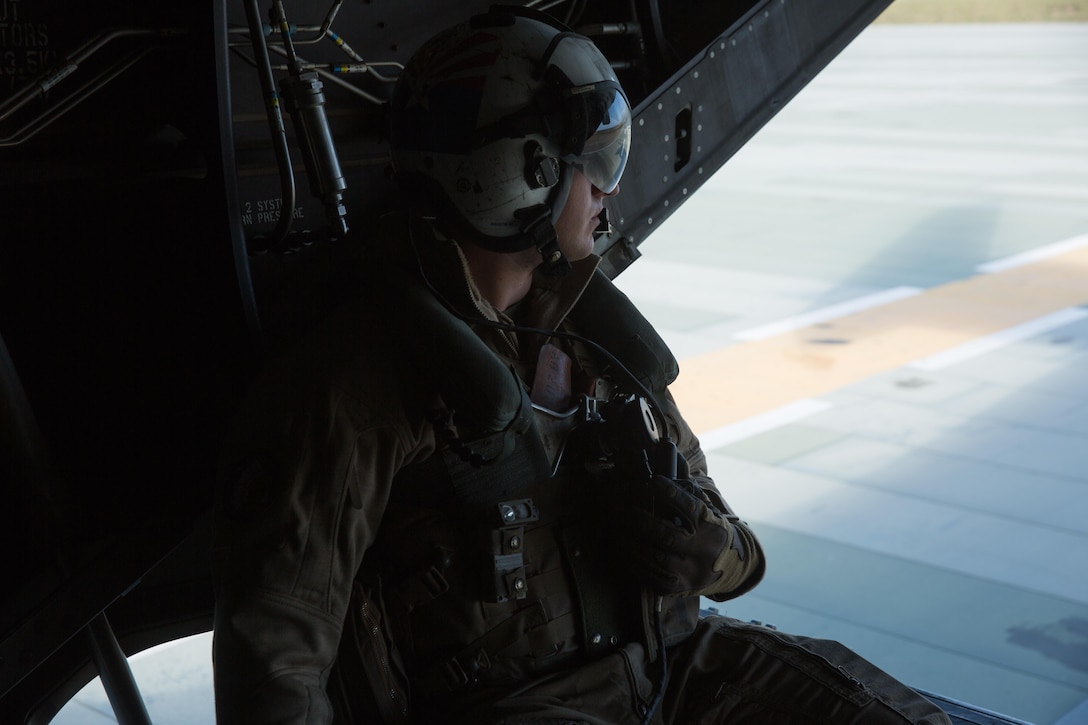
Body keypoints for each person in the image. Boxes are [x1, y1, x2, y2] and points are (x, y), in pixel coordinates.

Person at [211, 7, 952, 724]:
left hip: (672, 666)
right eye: (596, 162)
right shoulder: (356, 383)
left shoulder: (597, 343)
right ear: (516, 175)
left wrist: (706, 553)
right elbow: (277, 658)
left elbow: (741, 554)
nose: (611, 188)